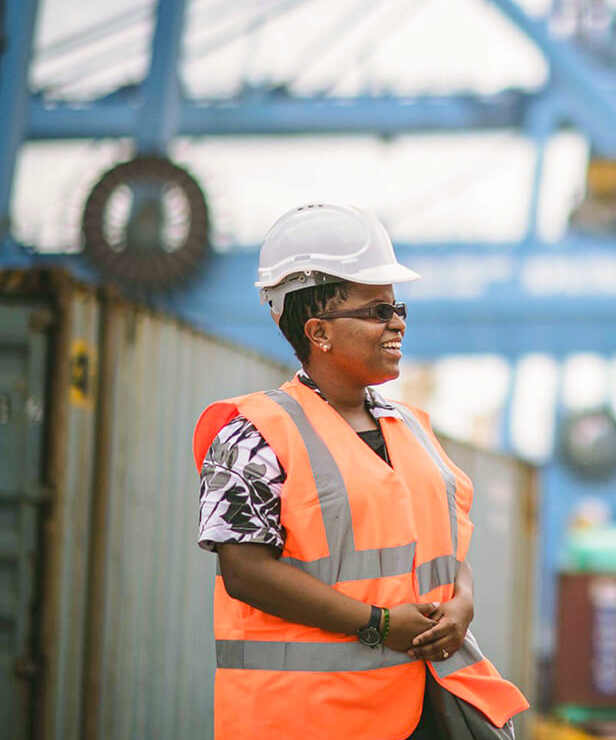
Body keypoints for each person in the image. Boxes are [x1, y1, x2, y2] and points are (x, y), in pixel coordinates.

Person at [192, 203, 528, 740]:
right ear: (318, 330)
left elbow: (446, 554)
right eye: (377, 311)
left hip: (430, 707)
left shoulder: (413, 428)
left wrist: (462, 605)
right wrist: (378, 625)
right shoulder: (252, 434)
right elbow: (244, 572)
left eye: (399, 310)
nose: (396, 323)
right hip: (312, 719)